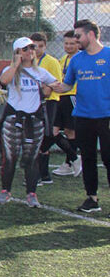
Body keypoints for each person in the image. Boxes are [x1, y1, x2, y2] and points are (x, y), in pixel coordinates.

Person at [51, 19, 110, 214]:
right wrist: (56, 87)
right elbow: (68, 84)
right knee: (88, 157)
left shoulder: (108, 55)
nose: (75, 40)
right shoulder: (76, 60)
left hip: (106, 116)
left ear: (90, 35)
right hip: (83, 116)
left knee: (108, 158)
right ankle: (92, 198)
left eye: (78, 36)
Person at [0, 37, 55, 208]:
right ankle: (5, 191)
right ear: (18, 52)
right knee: (10, 157)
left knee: (32, 157)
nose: (30, 51)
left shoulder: (41, 72)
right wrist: (15, 64)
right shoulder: (10, 69)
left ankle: (31, 193)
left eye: (32, 48)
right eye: (26, 48)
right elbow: (3, 82)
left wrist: (48, 89)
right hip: (13, 119)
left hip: (34, 120)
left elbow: (55, 84)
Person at [30, 32, 62, 185]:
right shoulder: (28, 62)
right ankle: (43, 175)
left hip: (49, 102)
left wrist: (45, 87)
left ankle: (38, 173)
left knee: (47, 135)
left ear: (45, 46)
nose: (37, 50)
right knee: (39, 136)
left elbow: (55, 85)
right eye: (34, 47)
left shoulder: (52, 62)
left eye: (40, 47)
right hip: (34, 103)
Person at [50, 30, 82, 177]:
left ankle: (69, 163)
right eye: (66, 43)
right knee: (54, 131)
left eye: (72, 43)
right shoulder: (63, 59)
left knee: (70, 131)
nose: (68, 46)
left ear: (78, 44)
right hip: (61, 97)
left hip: (72, 96)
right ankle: (73, 159)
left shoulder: (81, 59)